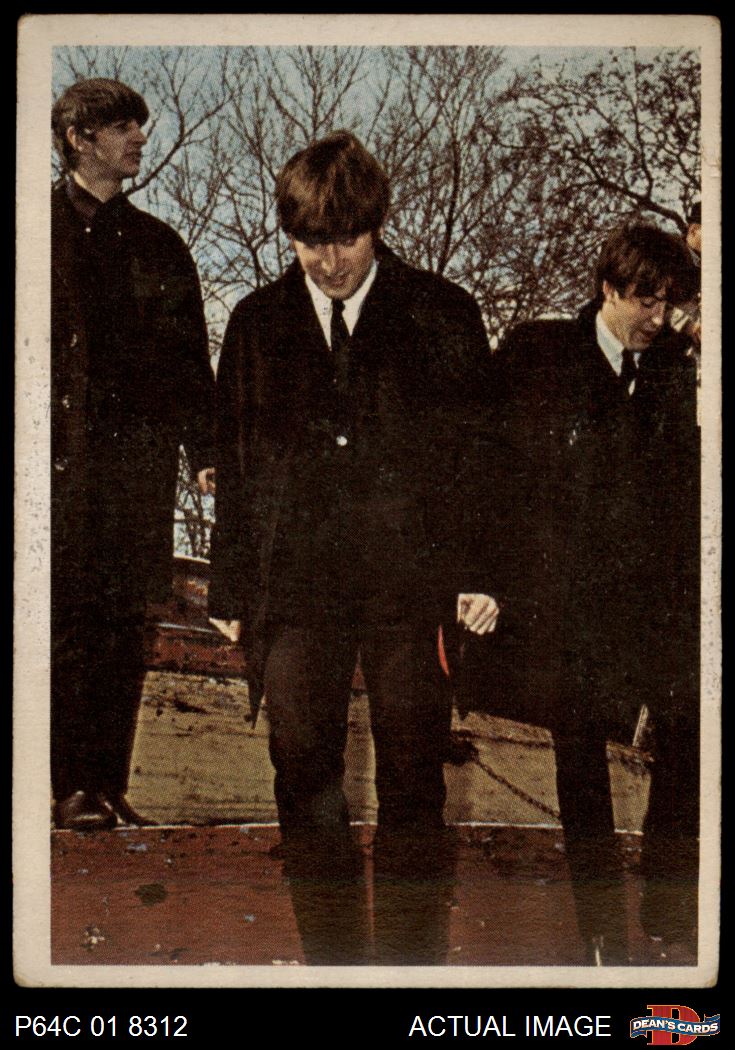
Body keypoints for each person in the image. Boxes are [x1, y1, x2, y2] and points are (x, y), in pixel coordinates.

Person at [209, 130, 499, 963]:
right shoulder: (255, 323)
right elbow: (236, 462)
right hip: (296, 588)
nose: (327, 261)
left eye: (343, 240)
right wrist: (231, 589)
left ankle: (407, 967)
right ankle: (331, 961)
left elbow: (482, 462)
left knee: (412, 772)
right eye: (308, 242)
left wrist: (477, 574)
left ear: (376, 225)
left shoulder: (442, 313)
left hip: (410, 587)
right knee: (302, 769)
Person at [458, 223, 700, 964]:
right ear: (607, 289)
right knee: (579, 742)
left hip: (650, 598)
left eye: (669, 303)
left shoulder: (676, 370)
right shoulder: (536, 352)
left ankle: (669, 905)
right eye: (644, 301)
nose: (656, 318)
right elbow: (484, 471)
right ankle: (599, 927)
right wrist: (482, 578)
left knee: (690, 725)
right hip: (555, 593)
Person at [51, 79, 215, 830]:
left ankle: (102, 784)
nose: (140, 139)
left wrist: (205, 451)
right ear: (79, 137)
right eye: (123, 127)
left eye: (139, 127)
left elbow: (190, 366)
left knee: (121, 626)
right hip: (50, 470)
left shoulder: (159, 246)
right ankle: (65, 785)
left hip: (131, 474)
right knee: (61, 621)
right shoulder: (35, 231)